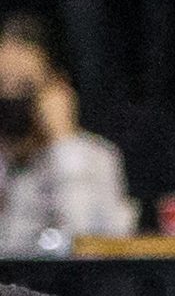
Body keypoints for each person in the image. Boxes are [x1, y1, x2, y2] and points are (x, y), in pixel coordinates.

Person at [0, 16, 135, 250]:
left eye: (25, 86)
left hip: (60, 285)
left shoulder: (95, 157)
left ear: (57, 89)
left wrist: (64, 143)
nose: (12, 99)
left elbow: (90, 242)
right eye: (2, 86)